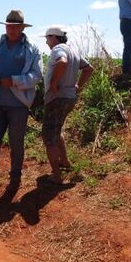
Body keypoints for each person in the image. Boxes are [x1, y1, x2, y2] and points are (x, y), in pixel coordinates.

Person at [0, 10, 43, 197]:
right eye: (8, 26)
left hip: (18, 105)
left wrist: (13, 80)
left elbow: (36, 76)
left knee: (16, 144)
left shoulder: (32, 49)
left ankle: (14, 181)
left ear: (22, 28)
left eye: (15, 27)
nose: (11, 30)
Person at [42, 26, 93, 184]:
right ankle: (64, 163)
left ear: (54, 38)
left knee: (49, 137)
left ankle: (57, 176)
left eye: (47, 37)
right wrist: (78, 86)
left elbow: (62, 62)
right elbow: (88, 69)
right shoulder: (74, 51)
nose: (46, 41)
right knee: (57, 130)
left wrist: (54, 83)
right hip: (69, 98)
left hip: (57, 98)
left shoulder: (58, 49)